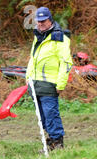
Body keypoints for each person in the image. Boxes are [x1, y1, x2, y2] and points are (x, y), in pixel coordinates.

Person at [25, 7, 73, 150]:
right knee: (42, 117)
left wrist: (61, 84)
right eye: (38, 22)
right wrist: (28, 76)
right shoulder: (37, 36)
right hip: (35, 83)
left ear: (50, 20)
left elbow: (66, 63)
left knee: (50, 114)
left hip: (50, 84)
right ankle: (51, 141)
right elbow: (33, 59)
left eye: (43, 21)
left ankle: (58, 143)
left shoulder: (60, 38)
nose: (40, 24)